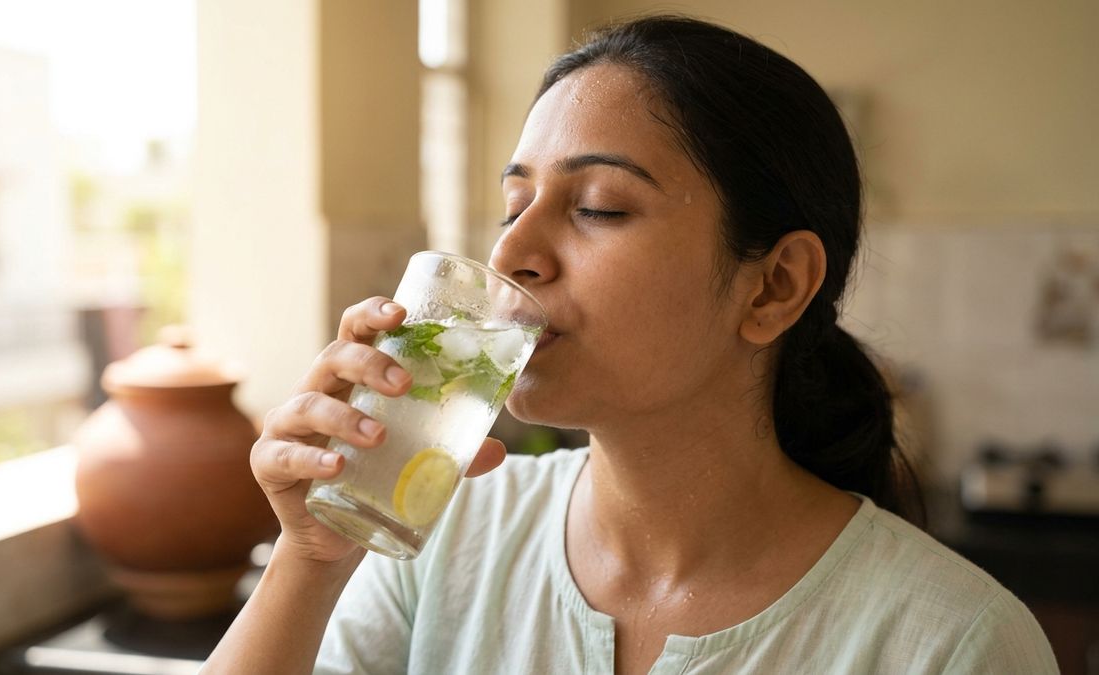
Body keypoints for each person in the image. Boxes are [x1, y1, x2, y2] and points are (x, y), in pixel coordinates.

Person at [203, 15, 1058, 674]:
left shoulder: (952, 641)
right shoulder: (446, 539)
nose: (509, 254)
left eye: (600, 207)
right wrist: (309, 560)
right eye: (513, 205)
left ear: (774, 285)